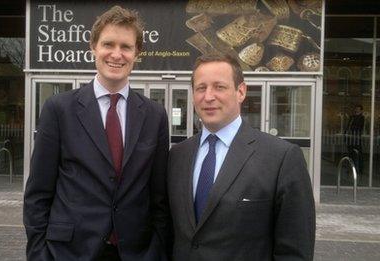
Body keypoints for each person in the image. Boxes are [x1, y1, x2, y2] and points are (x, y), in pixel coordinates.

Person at [24, 6, 171, 261]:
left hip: (135, 252)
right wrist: (39, 254)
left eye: (126, 46)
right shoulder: (59, 109)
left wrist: (156, 251)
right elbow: (38, 193)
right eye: (108, 44)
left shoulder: (154, 115)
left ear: (137, 53)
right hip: (68, 252)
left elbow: (159, 198)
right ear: (93, 47)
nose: (117, 54)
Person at [167, 54, 315, 260]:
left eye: (219, 87)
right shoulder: (177, 155)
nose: (208, 96)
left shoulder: (282, 158)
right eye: (201, 88)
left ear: (241, 91)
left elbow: (295, 251)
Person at [346, 104, 365, 173]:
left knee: (359, 153)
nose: (356, 110)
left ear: (361, 110)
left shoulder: (362, 118)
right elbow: (348, 126)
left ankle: (360, 169)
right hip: (351, 138)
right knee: (350, 153)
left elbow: (360, 127)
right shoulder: (352, 117)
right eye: (356, 108)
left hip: (357, 138)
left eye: (358, 109)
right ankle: (350, 168)